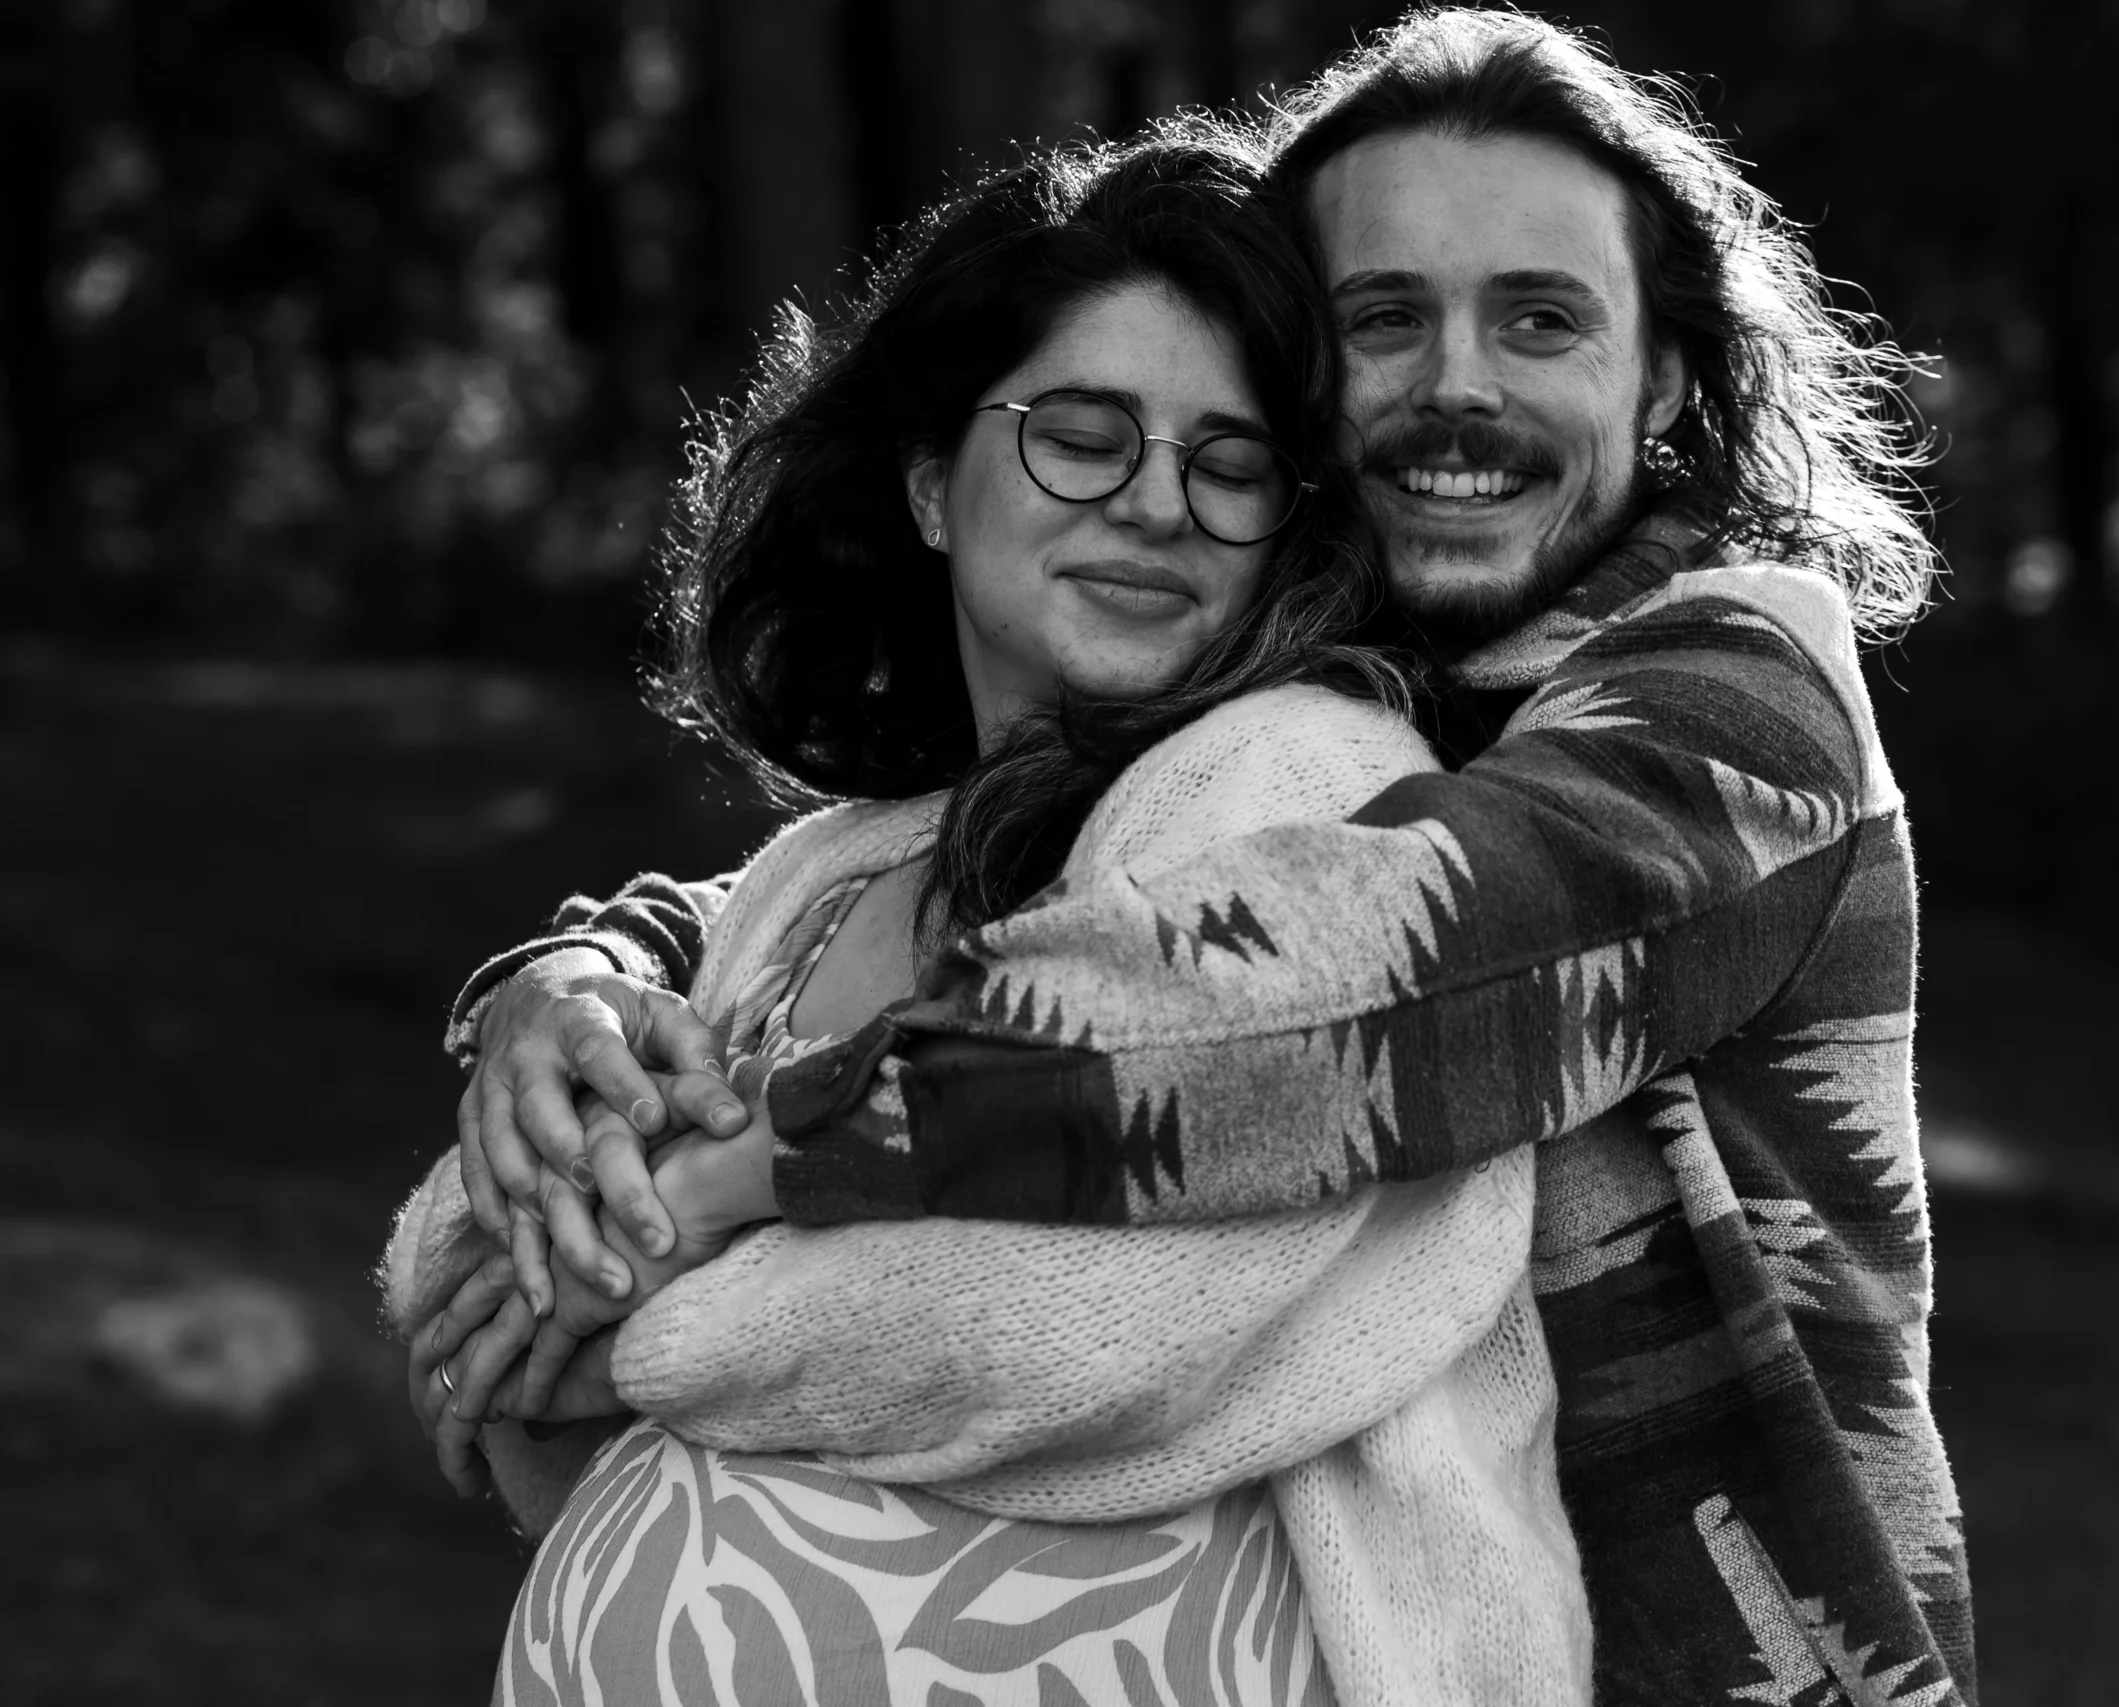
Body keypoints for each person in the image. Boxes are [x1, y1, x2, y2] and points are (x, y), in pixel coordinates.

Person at [453, 10, 1980, 1704]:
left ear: (1668, 377)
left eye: (1541, 319)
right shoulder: (1375, 698)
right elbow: (842, 887)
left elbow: (1350, 979)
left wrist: (738, 1176)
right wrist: (576, 976)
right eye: (1383, 321)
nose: (1458, 384)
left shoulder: (1741, 700)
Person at [385, 129, 1591, 1706]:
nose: (1158, 503)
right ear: (928, 487)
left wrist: (644, 1324)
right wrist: (552, 1008)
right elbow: (458, 1281)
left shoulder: (1303, 783)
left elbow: (1104, 1320)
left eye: (1227, 467)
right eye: (1084, 436)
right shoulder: (829, 873)